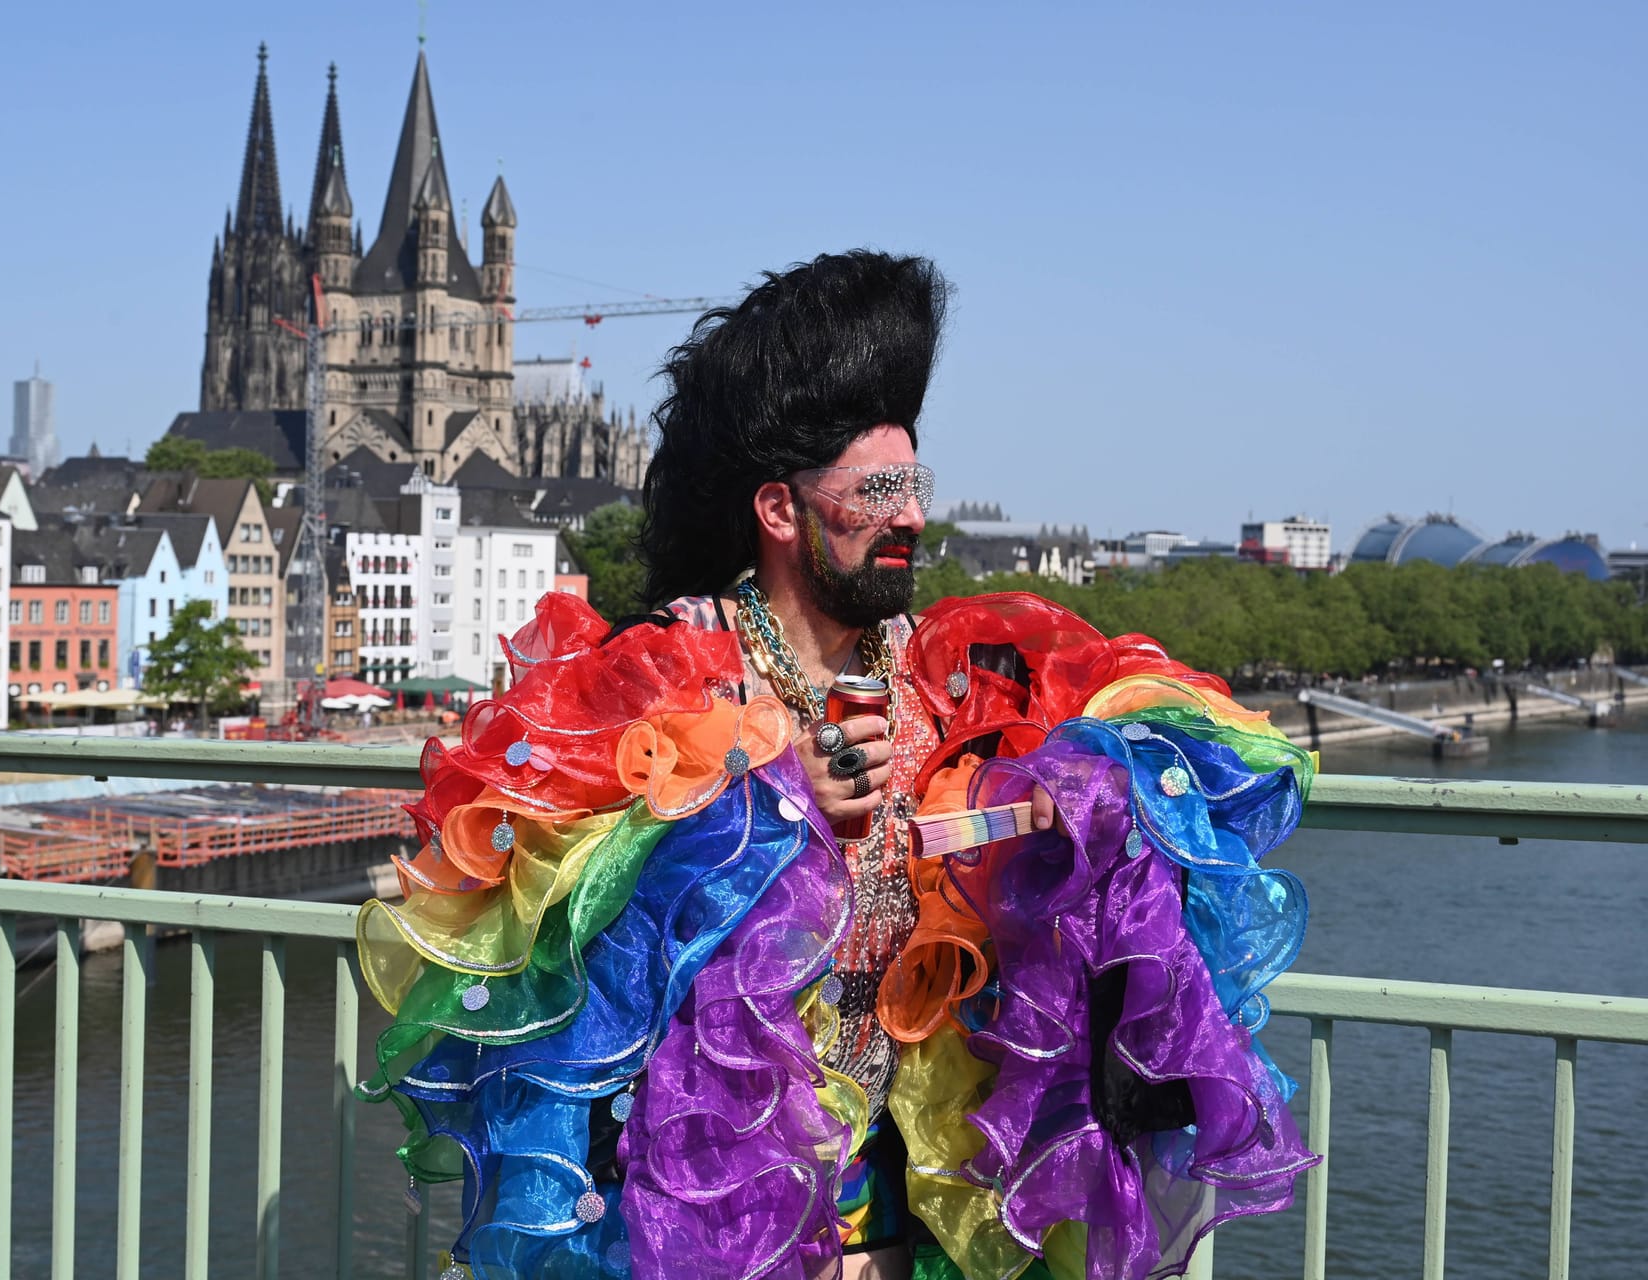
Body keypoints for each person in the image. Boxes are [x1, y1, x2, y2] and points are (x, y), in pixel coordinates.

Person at [357, 251, 1316, 1280]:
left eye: (917, 486)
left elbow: (1181, 749)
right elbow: (551, 927)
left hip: (907, 1213)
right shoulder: (667, 673)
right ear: (781, 511)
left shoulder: (957, 678)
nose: (913, 515)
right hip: (708, 1218)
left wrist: (1071, 803)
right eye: (881, 490)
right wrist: (765, 807)